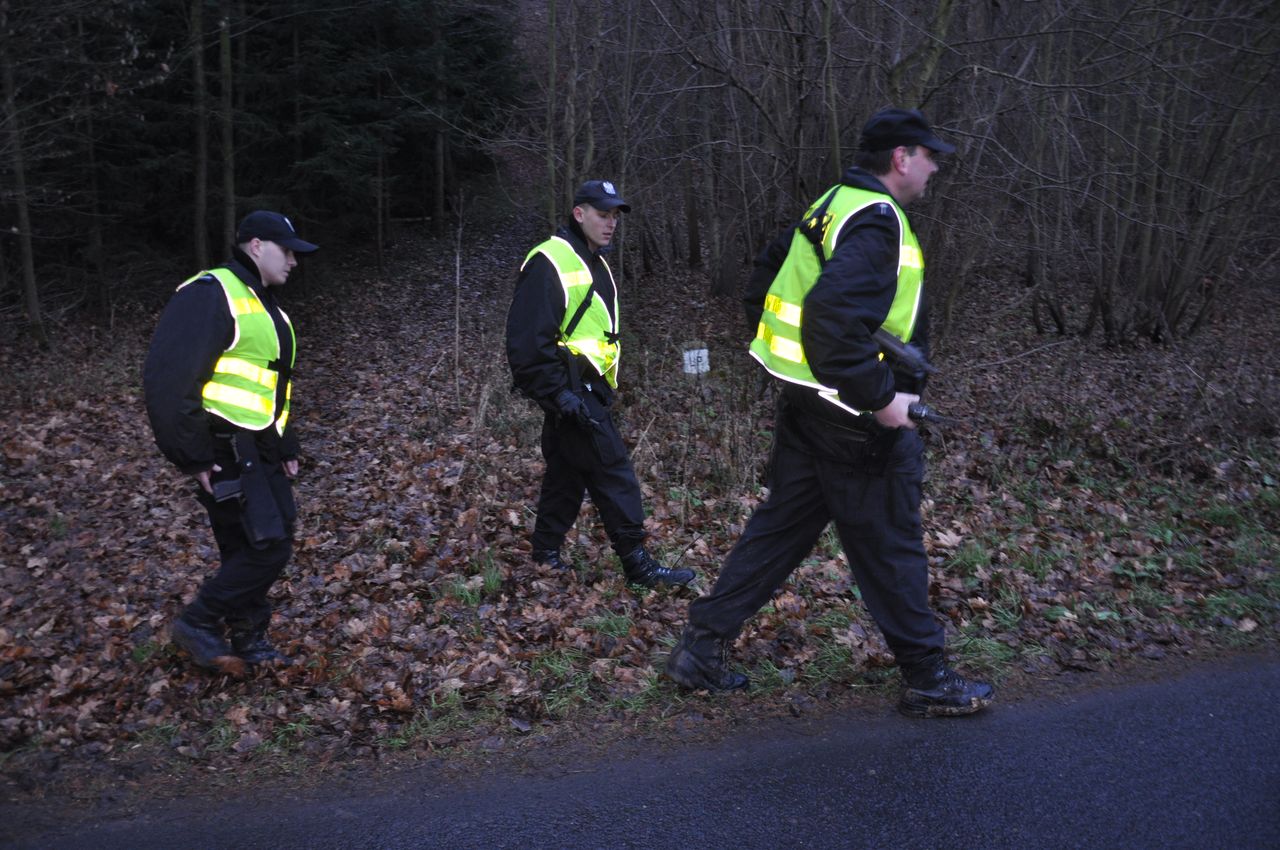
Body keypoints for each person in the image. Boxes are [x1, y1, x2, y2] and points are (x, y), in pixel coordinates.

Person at [665, 109, 995, 718]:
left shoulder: (834, 202)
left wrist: (799, 375)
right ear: (902, 157)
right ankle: (927, 677)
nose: (936, 167)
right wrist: (881, 397)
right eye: (931, 155)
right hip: (854, 420)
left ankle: (700, 650)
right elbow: (829, 320)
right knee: (891, 546)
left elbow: (765, 276)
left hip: (809, 405)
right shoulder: (878, 222)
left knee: (777, 533)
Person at [144, 210, 318, 676]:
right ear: (256, 245)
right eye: (288, 251)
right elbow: (168, 377)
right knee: (268, 545)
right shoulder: (210, 292)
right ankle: (197, 622)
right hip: (224, 446)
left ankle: (249, 639)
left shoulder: (264, 305)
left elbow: (272, 386)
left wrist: (285, 445)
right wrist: (192, 454)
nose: (294, 263)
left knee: (251, 544)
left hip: (259, 445)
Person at [506, 180, 695, 589]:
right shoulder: (550, 260)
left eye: (614, 216)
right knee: (614, 472)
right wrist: (558, 393)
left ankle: (544, 554)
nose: (610, 224)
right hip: (571, 392)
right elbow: (526, 341)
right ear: (579, 214)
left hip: (586, 391)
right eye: (602, 214)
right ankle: (638, 565)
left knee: (566, 473)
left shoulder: (596, 261)